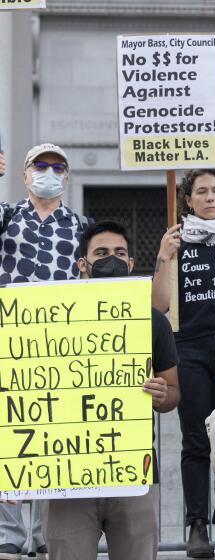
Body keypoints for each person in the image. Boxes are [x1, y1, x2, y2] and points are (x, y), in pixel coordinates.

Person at [45, 220, 180, 559]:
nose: (112, 259)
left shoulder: (154, 321)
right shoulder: (49, 318)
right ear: (82, 264)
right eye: (101, 253)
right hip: (67, 475)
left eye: (120, 253)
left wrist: (164, 395)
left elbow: (173, 393)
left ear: (132, 264)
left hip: (133, 471)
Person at [0, 143, 86, 560]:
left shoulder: (80, 225)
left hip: (59, 343)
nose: (49, 172)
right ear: (24, 173)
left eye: (57, 167)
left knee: (51, 433)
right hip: (10, 338)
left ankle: (42, 529)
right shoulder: (7, 216)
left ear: (67, 178)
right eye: (41, 165)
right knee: (8, 430)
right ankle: (9, 530)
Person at [152, 169, 215, 558]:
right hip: (186, 348)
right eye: (201, 191)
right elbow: (159, 306)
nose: (209, 197)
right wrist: (161, 257)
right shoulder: (175, 242)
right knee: (195, 440)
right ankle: (196, 525)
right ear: (188, 199)